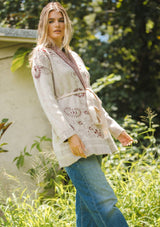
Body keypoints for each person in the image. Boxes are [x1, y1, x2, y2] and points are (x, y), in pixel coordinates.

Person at [30, 2, 133, 226]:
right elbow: (47, 100)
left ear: (67, 23)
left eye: (60, 19)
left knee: (87, 212)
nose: (57, 24)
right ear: (43, 26)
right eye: (51, 21)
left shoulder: (74, 56)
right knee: (105, 202)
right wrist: (69, 135)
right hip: (73, 141)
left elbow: (88, 97)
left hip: (93, 138)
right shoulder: (42, 55)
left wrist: (115, 129)